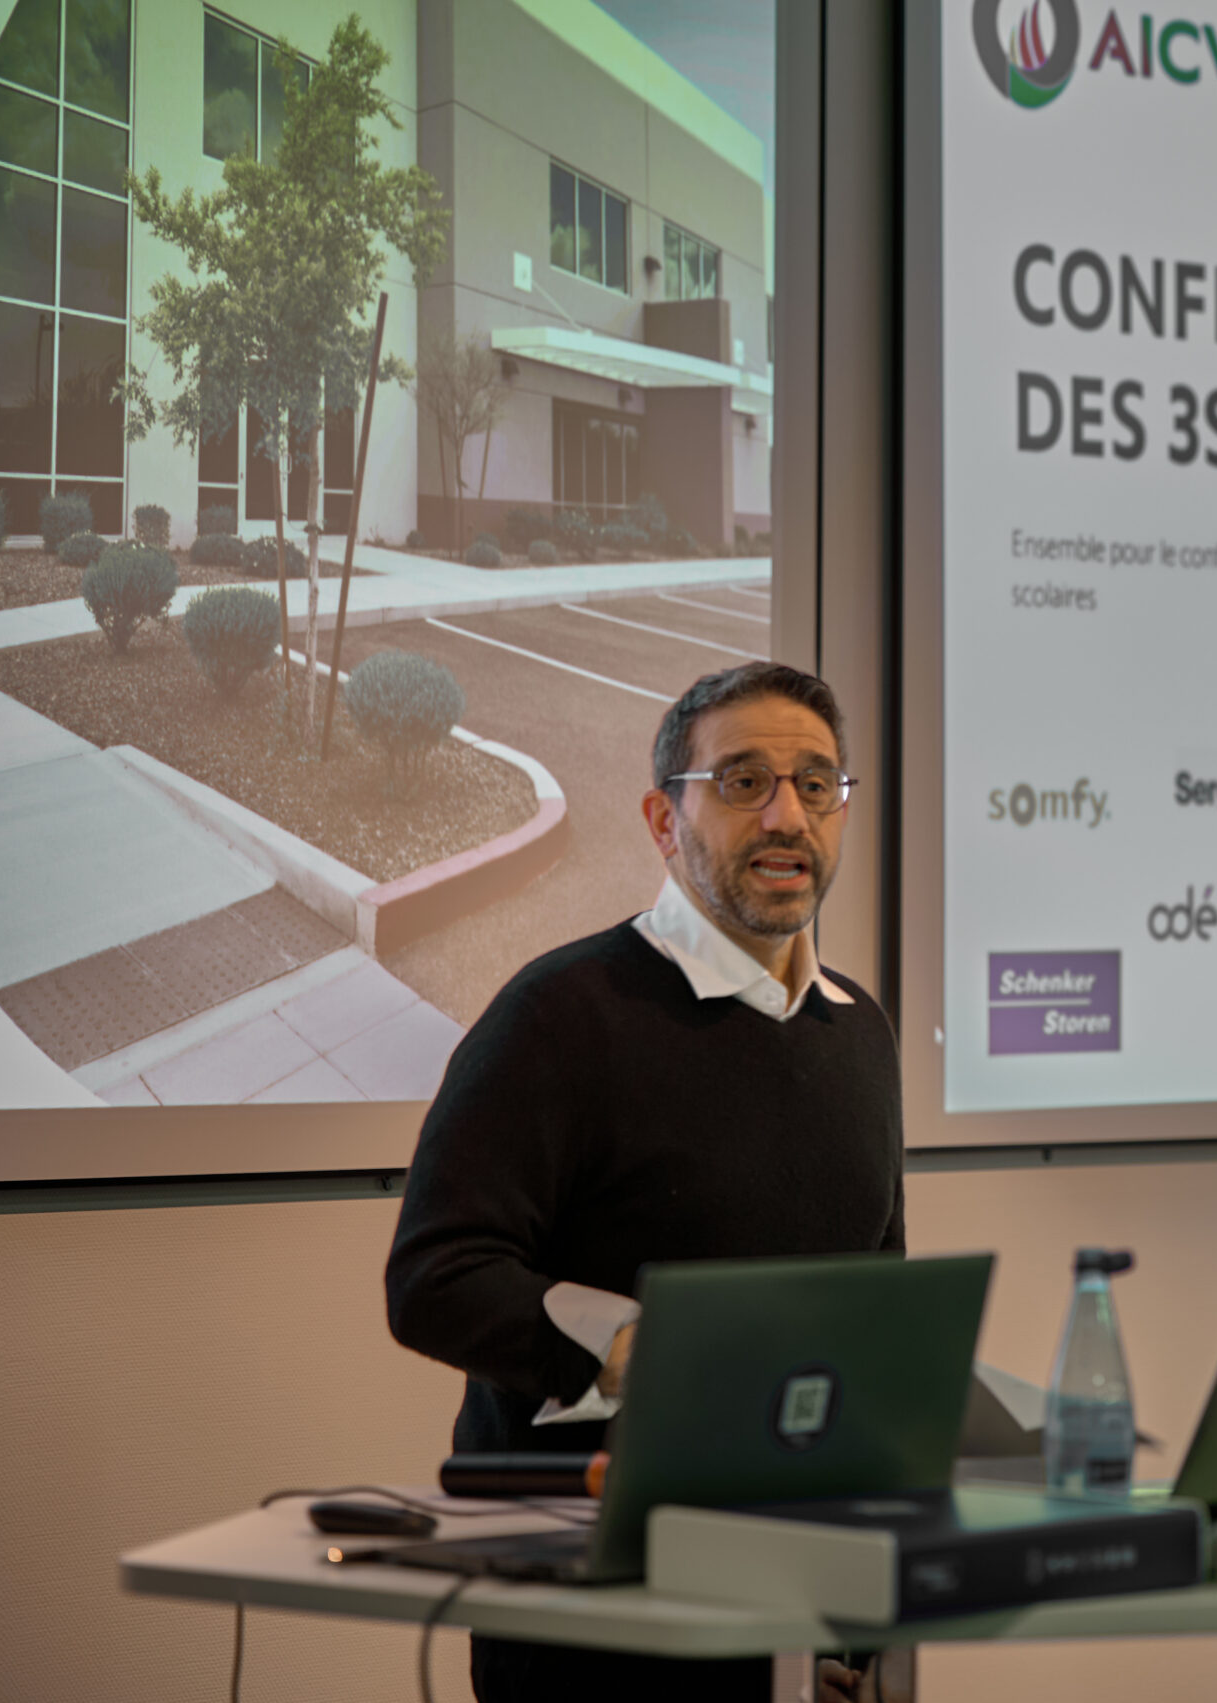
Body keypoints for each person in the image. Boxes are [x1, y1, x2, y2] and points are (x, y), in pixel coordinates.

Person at [386, 660, 907, 1703]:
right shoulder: (560, 1014)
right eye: (744, 782)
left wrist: (861, 1619)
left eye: (816, 784)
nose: (788, 816)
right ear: (665, 822)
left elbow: (877, 1310)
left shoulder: (860, 1030)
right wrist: (642, 1351)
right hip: (591, 1624)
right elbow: (436, 1275)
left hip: (799, 1606)